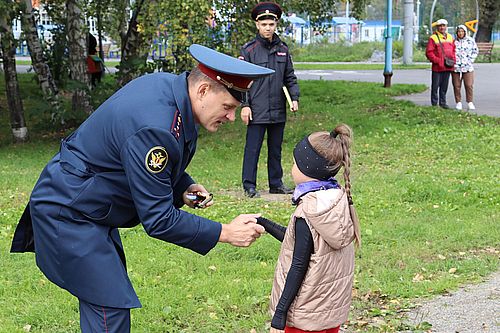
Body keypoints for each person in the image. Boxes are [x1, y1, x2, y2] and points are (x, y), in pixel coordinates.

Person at [10, 44, 274, 333]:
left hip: (88, 205)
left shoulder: (169, 89)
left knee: (107, 301)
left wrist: (182, 185)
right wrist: (226, 232)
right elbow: (158, 219)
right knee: (109, 307)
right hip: (69, 212)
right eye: (228, 107)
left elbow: (137, 156)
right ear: (202, 92)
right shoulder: (157, 126)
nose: (232, 118)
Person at [256, 124, 361, 333]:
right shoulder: (335, 200)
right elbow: (303, 244)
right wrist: (264, 223)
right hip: (329, 313)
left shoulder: (308, 211)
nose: (292, 168)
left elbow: (298, 264)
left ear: (308, 169)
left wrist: (280, 313)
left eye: (295, 163)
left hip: (305, 315)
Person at [239, 1, 300, 198]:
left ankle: (276, 184)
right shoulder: (249, 50)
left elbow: (289, 76)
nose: (268, 28)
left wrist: (295, 97)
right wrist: (245, 105)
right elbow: (241, 81)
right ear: (257, 25)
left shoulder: (283, 49)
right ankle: (249, 185)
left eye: (271, 24)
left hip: (278, 109)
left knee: (275, 150)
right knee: (252, 150)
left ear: (276, 25)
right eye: (264, 24)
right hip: (256, 109)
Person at [426, 18, 456, 109]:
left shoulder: (450, 37)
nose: (442, 28)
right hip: (437, 67)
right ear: (437, 27)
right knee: (435, 86)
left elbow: (454, 50)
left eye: (444, 26)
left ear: (446, 27)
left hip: (448, 66)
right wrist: (437, 61)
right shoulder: (433, 38)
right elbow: (429, 52)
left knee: (444, 86)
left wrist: (453, 59)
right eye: (440, 26)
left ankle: (443, 102)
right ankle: (434, 104)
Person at [452, 24, 478, 111]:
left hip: (467, 66)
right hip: (456, 66)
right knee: (456, 85)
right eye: (459, 31)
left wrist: (470, 60)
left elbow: (475, 51)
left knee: (469, 84)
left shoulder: (470, 40)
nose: (460, 33)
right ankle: (458, 102)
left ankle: (470, 101)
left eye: (462, 31)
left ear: (465, 32)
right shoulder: (453, 41)